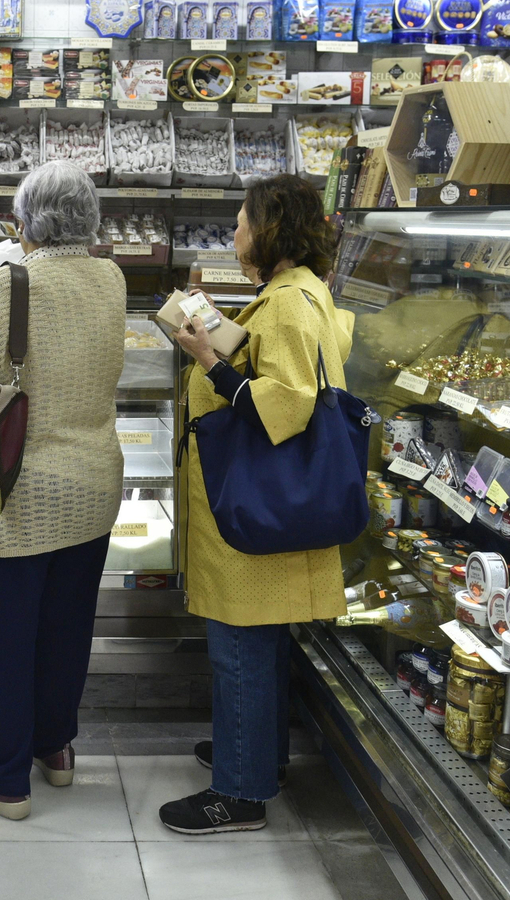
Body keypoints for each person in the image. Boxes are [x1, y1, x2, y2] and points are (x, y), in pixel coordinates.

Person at [0, 160, 126, 821]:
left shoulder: (9, 283)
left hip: (16, 491)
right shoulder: (111, 277)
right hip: (95, 483)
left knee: (9, 638)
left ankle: (4, 779)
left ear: (23, 221)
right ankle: (55, 749)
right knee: (68, 627)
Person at [160, 174, 354, 834]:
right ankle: (255, 752)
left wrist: (208, 360)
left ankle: (239, 794)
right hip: (263, 510)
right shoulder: (292, 294)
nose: (235, 234)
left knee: (239, 648)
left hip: (258, 507)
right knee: (259, 646)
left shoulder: (292, 303)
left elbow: (286, 406)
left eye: (242, 222)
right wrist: (221, 331)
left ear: (271, 228)